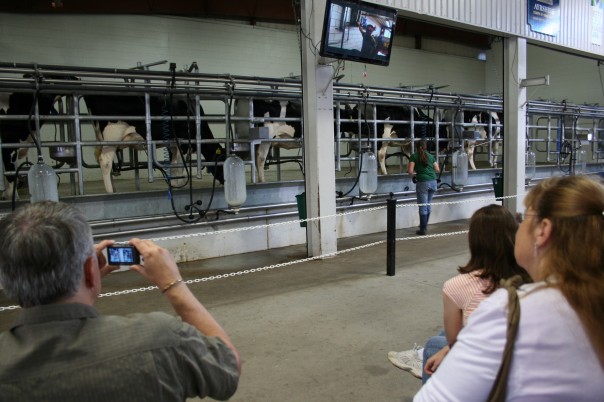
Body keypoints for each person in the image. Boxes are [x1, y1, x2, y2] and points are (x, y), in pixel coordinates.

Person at [0, 201, 240, 401]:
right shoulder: (160, 338)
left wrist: (85, 287)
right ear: (89, 270)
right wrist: (174, 285)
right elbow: (228, 368)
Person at [415, 175, 604, 401]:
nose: (519, 226)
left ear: (542, 230)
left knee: (436, 342)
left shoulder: (508, 311)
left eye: (524, 217)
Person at [388, 204, 530, 382]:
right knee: (443, 333)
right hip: (520, 357)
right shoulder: (532, 277)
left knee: (434, 344)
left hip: (493, 367)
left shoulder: (458, 286)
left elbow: (455, 343)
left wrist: (447, 349)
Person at [408, 139, 440, 235]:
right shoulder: (431, 156)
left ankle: (423, 229)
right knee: (428, 204)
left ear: (417, 147)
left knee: (422, 206)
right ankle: (424, 225)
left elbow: (410, 171)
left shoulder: (414, 156)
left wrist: (414, 176)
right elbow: (437, 169)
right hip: (433, 182)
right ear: (426, 147)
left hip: (422, 183)